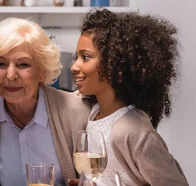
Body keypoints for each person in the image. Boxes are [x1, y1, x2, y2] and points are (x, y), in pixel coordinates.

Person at [0, 18, 91, 186]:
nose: (10, 75)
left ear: (42, 72)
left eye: (23, 65)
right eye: (1, 64)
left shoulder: (78, 113)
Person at [70, 9, 187, 186]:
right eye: (76, 57)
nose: (74, 67)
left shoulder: (132, 131)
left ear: (114, 65)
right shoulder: (94, 111)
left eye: (85, 57)